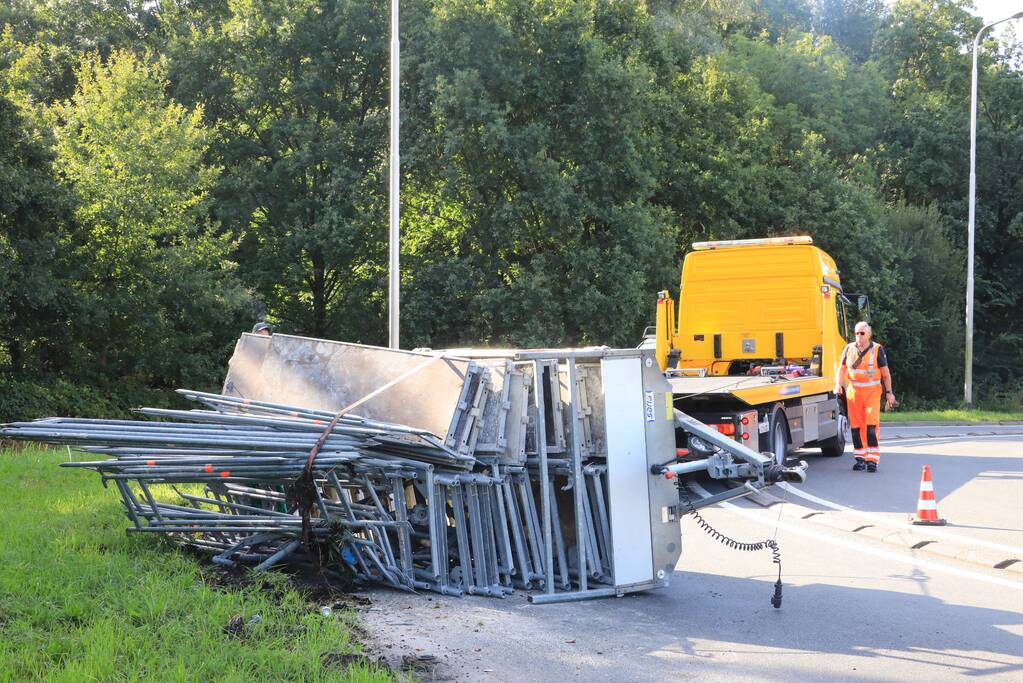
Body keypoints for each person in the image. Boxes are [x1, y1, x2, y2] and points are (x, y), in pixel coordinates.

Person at [834, 321, 895, 472]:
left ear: (869, 334)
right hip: (853, 393)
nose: (859, 336)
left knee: (870, 426)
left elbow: (885, 374)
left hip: (872, 392)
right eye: (856, 333)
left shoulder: (877, 349)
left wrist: (889, 393)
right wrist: (838, 384)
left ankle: (872, 459)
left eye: (862, 333)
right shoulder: (848, 348)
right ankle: (860, 458)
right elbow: (841, 369)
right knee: (855, 427)